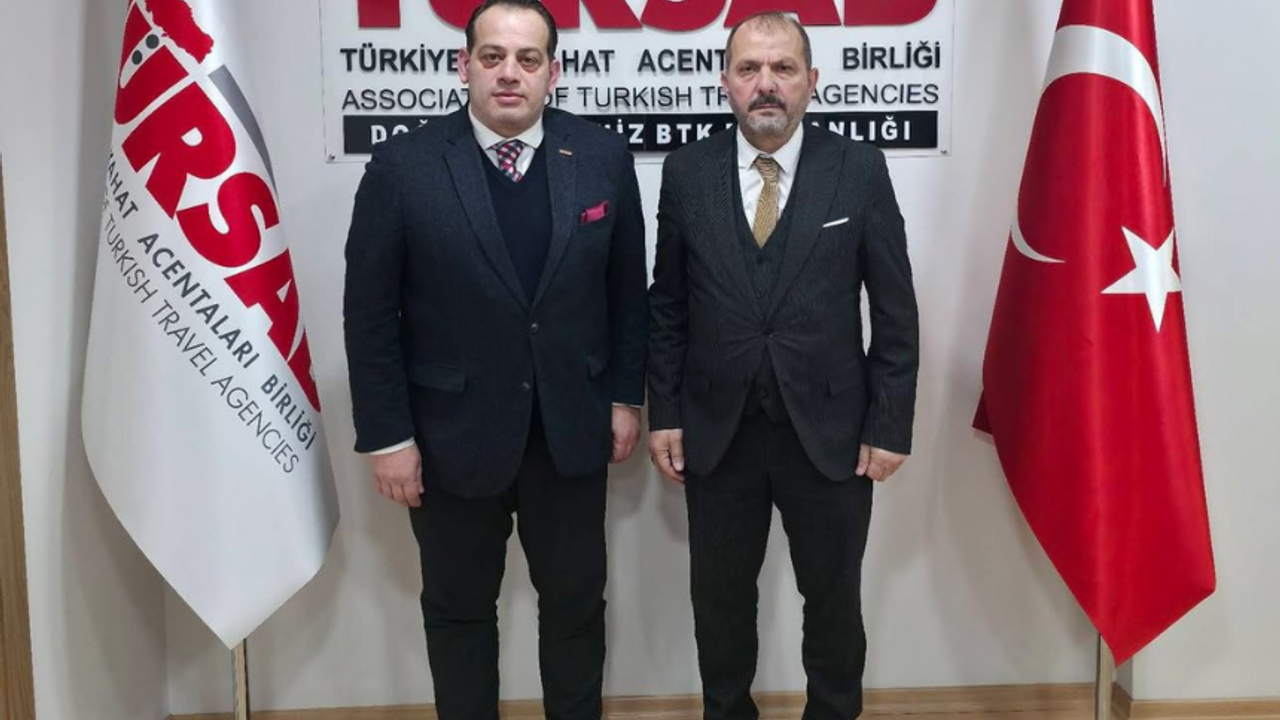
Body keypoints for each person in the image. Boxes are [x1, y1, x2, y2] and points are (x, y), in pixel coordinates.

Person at [342, 1, 647, 717]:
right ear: (465, 66)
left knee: (576, 607)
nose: (510, 73)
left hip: (570, 432)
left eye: (528, 59)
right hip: (449, 438)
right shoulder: (403, 167)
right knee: (459, 613)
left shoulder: (601, 157)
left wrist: (624, 396)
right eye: (493, 57)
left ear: (553, 73)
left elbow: (627, 293)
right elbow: (369, 314)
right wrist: (388, 437)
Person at [646, 12, 919, 720]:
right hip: (718, 432)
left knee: (832, 604)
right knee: (720, 605)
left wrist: (889, 423)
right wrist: (665, 412)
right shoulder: (687, 171)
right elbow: (667, 304)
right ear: (726, 82)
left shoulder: (858, 168)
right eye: (749, 69)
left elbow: (895, 310)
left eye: (783, 69)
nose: (765, 84)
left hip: (831, 434)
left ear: (811, 81)